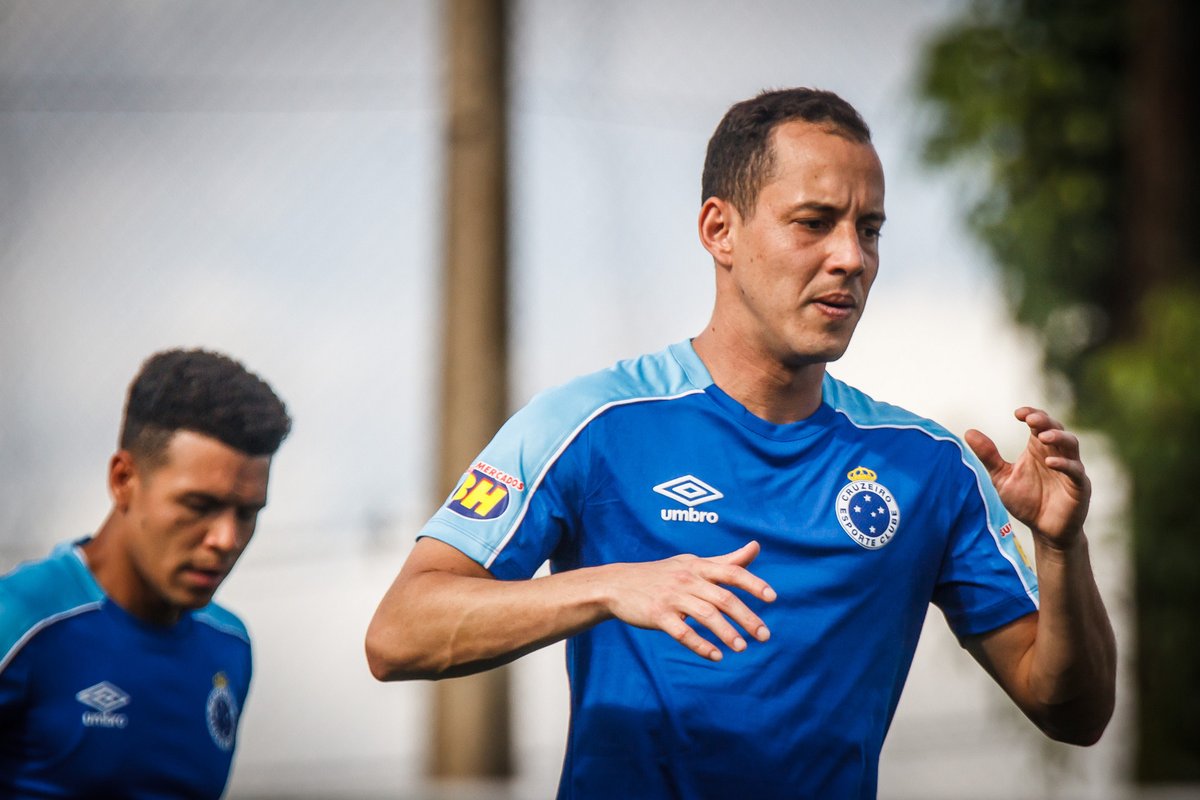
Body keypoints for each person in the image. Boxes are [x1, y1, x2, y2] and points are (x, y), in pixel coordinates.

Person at [365, 88, 1116, 799]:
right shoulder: (594, 424)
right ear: (719, 231)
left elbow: (1074, 713)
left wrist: (1060, 551)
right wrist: (610, 586)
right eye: (814, 222)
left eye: (870, 229)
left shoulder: (927, 467)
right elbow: (400, 632)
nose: (851, 258)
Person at [0, 348, 291, 798]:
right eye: (200, 505)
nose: (226, 538)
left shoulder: (229, 646)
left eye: (248, 513)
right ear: (123, 480)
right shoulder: (19, 620)